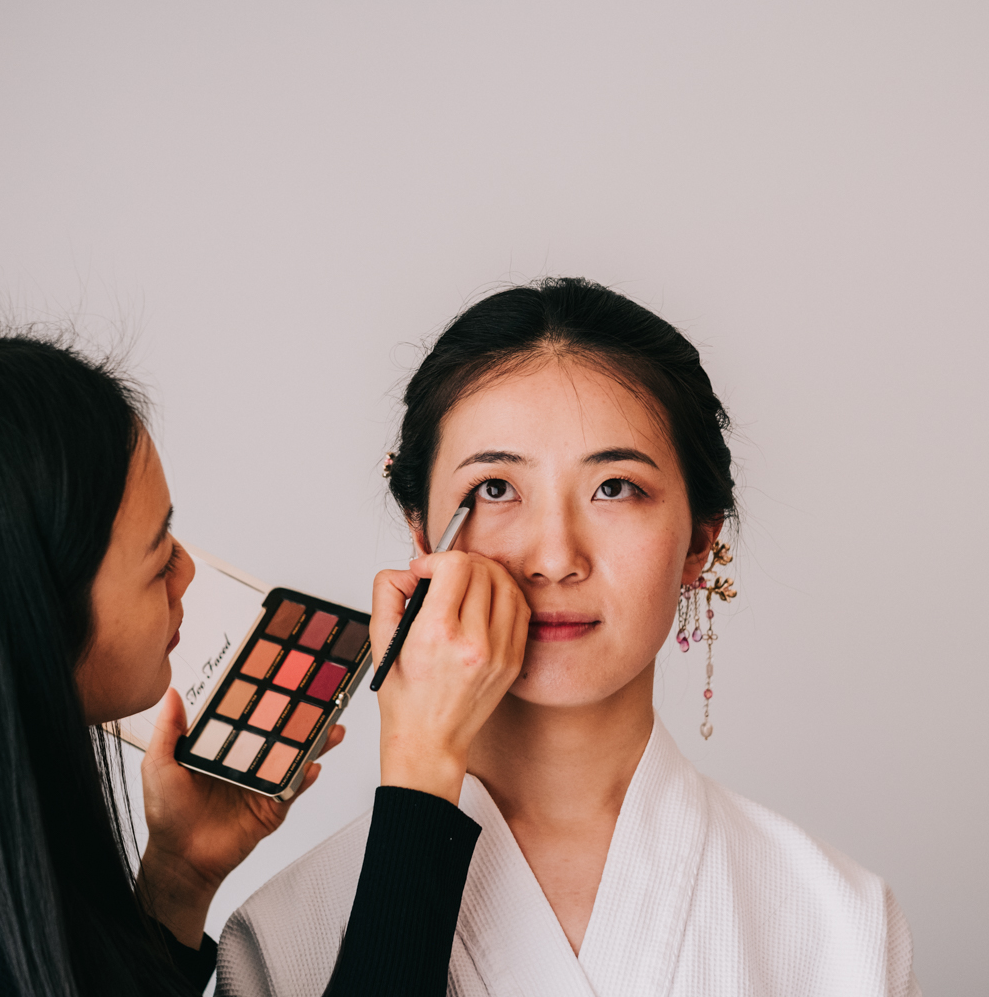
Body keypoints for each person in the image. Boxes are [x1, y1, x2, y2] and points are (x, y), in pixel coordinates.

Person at [0, 335, 527, 997]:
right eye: (157, 553)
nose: (186, 571)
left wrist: (177, 881)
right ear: (33, 614)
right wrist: (423, 765)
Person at [219, 278, 921, 997]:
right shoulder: (283, 935)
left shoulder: (839, 923)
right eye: (494, 489)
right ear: (422, 534)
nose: (554, 558)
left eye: (615, 488)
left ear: (698, 544)